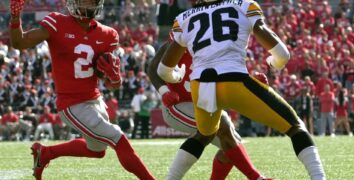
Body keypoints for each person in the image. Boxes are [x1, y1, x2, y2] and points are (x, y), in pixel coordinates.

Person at [157, 0, 325, 179]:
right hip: (233, 81)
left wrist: (177, 76)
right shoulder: (243, 5)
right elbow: (283, 55)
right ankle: (319, 177)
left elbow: (163, 70)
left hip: (201, 87)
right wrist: (273, 63)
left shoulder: (184, 18)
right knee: (295, 127)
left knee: (204, 135)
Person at [9, 0, 154, 179]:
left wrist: (115, 77)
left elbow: (112, 85)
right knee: (118, 138)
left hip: (95, 100)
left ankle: (46, 152)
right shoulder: (57, 23)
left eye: (94, 1)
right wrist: (15, 18)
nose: (90, 4)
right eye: (86, 0)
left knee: (97, 150)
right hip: (71, 103)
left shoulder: (108, 34)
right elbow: (19, 43)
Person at [149, 34, 271, 180]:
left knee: (232, 148)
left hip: (205, 104)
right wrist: (164, 92)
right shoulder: (183, 36)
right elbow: (153, 68)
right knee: (223, 125)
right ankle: (256, 177)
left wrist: (251, 83)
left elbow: (230, 80)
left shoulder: (220, 46)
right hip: (177, 105)